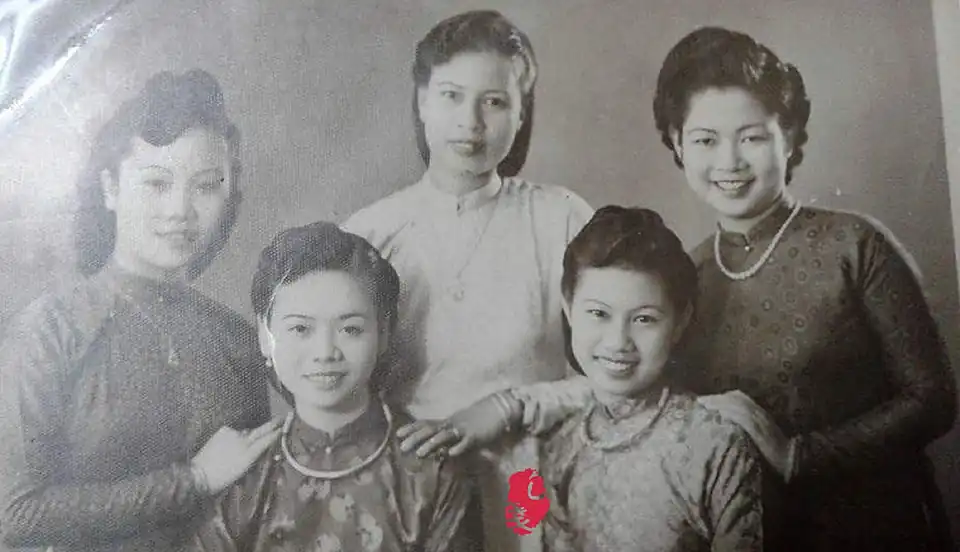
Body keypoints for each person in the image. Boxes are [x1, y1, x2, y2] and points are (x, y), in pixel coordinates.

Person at [408, 25, 958, 552]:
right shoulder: (684, 277)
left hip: (875, 527)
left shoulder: (853, 246)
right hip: (737, 522)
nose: (729, 162)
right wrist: (508, 407)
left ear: (788, 138)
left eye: (752, 138)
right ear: (677, 144)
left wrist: (800, 457)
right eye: (705, 139)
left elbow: (933, 399)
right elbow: (621, 382)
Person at [342, 10, 593, 552]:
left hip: (533, 479)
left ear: (522, 115)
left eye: (495, 102)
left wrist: (510, 407)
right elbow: (332, 388)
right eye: (452, 96)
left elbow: (623, 381)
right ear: (422, 102)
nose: (471, 123)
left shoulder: (562, 220)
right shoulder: (368, 235)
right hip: (404, 488)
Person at [0, 69, 276, 551]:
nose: (180, 211)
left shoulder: (237, 339)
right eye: (156, 184)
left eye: (205, 186)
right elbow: (14, 513)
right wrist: (192, 480)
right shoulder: (50, 328)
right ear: (110, 188)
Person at [192, 222, 471, 551]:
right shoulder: (245, 476)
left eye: (350, 329)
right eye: (300, 329)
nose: (325, 353)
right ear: (265, 338)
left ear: (383, 333)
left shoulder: (430, 470)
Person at [539, 206, 764, 551]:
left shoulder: (715, 444)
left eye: (644, 319)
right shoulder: (555, 446)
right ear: (569, 309)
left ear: (680, 321)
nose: (618, 342)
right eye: (598, 313)